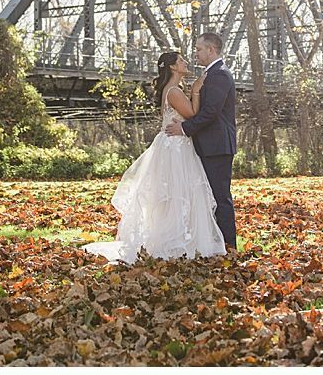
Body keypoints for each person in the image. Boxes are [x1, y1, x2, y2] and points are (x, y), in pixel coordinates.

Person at [87, 48, 226, 263]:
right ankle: (176, 240)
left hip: (174, 144)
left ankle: (178, 238)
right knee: (178, 192)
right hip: (176, 147)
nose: (186, 62)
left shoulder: (172, 89)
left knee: (175, 193)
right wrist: (197, 90)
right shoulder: (173, 91)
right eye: (181, 60)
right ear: (173, 67)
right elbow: (192, 114)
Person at [171, 29, 238, 253]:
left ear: (211, 50)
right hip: (209, 145)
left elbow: (211, 112)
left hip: (217, 146)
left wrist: (184, 128)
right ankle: (213, 244)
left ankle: (229, 246)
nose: (196, 54)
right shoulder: (210, 74)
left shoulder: (219, 75)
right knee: (209, 198)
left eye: (199, 49)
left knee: (220, 198)